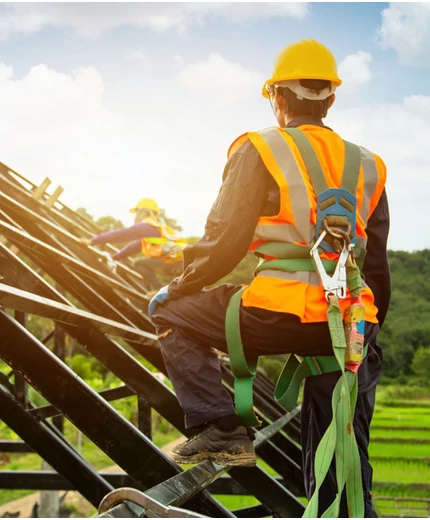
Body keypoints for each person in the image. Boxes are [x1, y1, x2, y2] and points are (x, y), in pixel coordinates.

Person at [149, 39, 390, 517]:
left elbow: (224, 242)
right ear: (331, 99)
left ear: (277, 98)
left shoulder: (261, 147)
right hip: (348, 322)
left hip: (275, 313)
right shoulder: (369, 164)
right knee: (343, 450)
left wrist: (176, 288)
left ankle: (221, 427)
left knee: (169, 311)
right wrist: (366, 333)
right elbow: (377, 264)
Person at [80, 198, 187, 290]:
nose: (135, 215)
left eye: (137, 212)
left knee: (138, 264)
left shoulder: (147, 226)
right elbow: (132, 248)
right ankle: (160, 290)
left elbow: (120, 234)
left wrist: (92, 241)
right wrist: (114, 258)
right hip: (183, 263)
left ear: (145, 212)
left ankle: (157, 289)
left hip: (176, 262)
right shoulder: (156, 229)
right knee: (143, 263)